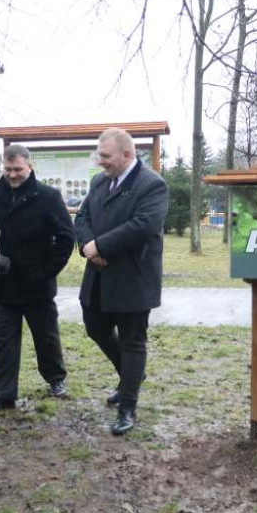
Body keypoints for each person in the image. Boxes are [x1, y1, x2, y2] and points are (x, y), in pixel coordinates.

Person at [74, 128, 167, 436]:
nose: (100, 162)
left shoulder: (152, 185)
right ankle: (130, 376)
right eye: (99, 155)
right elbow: (82, 218)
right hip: (98, 276)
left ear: (127, 155)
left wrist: (100, 246)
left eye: (106, 156)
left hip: (133, 279)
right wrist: (90, 247)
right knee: (96, 329)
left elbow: (143, 225)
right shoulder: (99, 182)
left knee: (132, 341)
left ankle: (128, 406)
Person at [0, 144, 75, 415]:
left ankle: (56, 379)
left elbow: (66, 238)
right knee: (4, 340)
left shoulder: (48, 196)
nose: (12, 174)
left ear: (29, 167)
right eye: (8, 169)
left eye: (17, 169)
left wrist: (45, 272)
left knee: (46, 336)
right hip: (3, 284)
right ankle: (3, 395)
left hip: (37, 284)